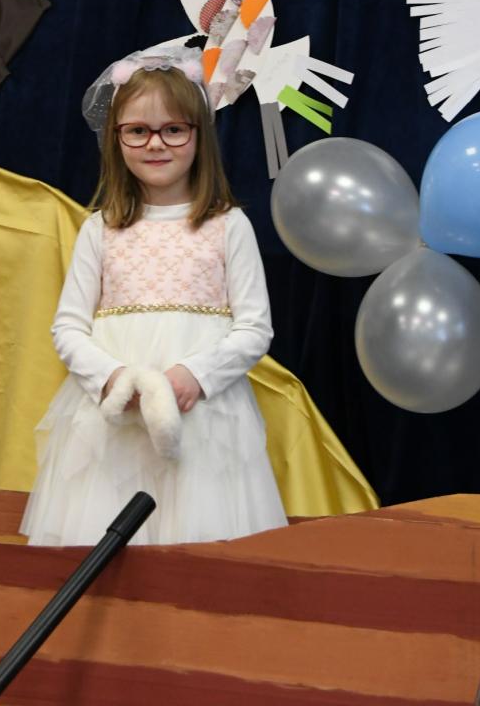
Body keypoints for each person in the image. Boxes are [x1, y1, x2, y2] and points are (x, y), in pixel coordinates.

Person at [21, 47, 288, 545]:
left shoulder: (228, 225)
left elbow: (254, 328)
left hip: (204, 422)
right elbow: (69, 326)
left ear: (198, 135)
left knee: (198, 541)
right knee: (106, 540)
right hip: (115, 426)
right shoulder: (101, 229)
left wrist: (195, 377)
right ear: (116, 138)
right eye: (138, 131)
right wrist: (112, 379)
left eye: (173, 129)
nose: (156, 143)